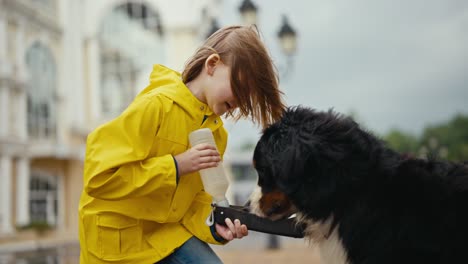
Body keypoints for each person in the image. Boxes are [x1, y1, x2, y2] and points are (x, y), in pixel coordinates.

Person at [78, 25, 286, 264]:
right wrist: (176, 166)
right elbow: (99, 177)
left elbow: (192, 203)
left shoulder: (217, 135)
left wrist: (214, 227)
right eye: (239, 88)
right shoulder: (155, 106)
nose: (240, 102)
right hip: (116, 245)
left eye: (247, 98)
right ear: (212, 65)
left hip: (166, 236)